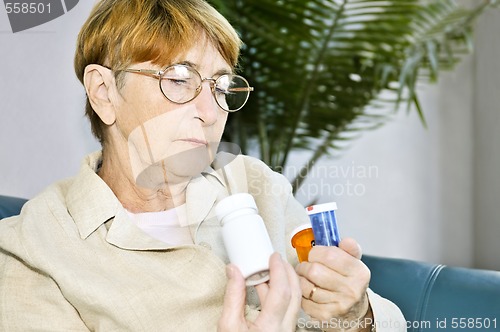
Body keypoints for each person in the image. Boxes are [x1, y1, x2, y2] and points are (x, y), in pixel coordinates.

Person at [0, 0, 406, 331]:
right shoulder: (31, 249)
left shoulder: (255, 184)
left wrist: (354, 313)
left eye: (221, 86)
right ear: (104, 92)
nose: (211, 111)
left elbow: (378, 321)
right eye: (179, 79)